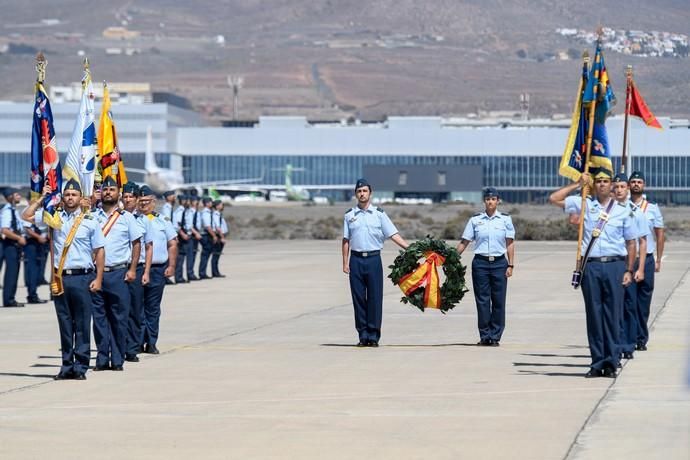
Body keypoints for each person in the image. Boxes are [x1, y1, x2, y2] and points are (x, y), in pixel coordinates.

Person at [549, 169, 638, 378]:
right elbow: (554, 198)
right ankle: (597, 362)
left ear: (612, 185)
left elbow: (631, 242)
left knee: (613, 315)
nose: (602, 185)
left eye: (606, 181)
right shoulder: (585, 204)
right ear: (594, 184)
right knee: (594, 315)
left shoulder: (623, 210)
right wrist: (578, 184)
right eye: (598, 181)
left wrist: (629, 269)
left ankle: (612, 362)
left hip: (615, 265)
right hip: (591, 266)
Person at [22, 179, 105, 380]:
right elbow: (26, 215)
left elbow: (100, 251)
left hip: (83, 277)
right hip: (60, 278)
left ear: (80, 197)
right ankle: (66, 365)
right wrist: (42, 197)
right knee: (65, 324)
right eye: (67, 194)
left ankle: (80, 366)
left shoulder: (90, 221)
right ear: (62, 197)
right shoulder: (53, 218)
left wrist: (99, 279)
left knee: (83, 323)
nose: (70, 198)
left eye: (73, 194)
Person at [342, 179, 408, 347]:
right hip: (356, 260)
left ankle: (373, 336)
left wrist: (409, 248)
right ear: (355, 194)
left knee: (375, 298)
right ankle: (362, 335)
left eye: (365, 191)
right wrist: (345, 262)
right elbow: (346, 240)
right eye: (359, 191)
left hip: (373, 260)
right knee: (358, 299)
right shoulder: (350, 215)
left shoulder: (379, 214)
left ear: (370, 194)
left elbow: (393, 234)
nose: (362, 194)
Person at [91, 176, 143, 371]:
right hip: (97, 275)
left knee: (119, 318)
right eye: (105, 190)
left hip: (118, 273)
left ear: (118, 194)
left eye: (112, 190)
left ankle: (118, 359)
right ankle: (102, 359)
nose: (108, 193)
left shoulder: (126, 218)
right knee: (99, 319)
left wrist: (132, 269)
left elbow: (136, 244)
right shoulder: (92, 217)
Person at [456, 187, 515, 346]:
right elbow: (464, 242)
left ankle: (495, 336)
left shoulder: (505, 219)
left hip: (499, 263)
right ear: (484, 201)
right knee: (482, 300)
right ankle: (485, 336)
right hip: (480, 263)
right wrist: (452, 258)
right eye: (488, 199)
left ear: (498, 201)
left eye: (493, 199)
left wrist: (511, 264)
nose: (490, 202)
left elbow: (510, 243)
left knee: (498, 301)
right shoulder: (475, 220)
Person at [612, 173, 649, 361]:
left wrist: (640, 268)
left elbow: (642, 242)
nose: (618, 190)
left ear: (627, 189)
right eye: (615, 186)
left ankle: (627, 344)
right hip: (612, 264)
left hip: (629, 265)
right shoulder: (605, 211)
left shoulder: (636, 212)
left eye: (622, 187)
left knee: (629, 306)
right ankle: (614, 345)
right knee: (613, 307)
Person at [138, 185, 177, 354]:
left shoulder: (162, 220)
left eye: (147, 201)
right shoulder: (133, 219)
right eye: (141, 201)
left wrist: (172, 265)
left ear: (154, 202)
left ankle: (151, 341)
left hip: (157, 269)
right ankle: (137, 341)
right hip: (138, 268)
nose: (143, 205)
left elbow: (173, 243)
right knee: (137, 307)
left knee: (153, 308)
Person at [628, 171, 665, 351]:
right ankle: (630, 336)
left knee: (643, 303)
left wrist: (658, 259)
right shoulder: (622, 206)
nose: (636, 184)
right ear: (629, 185)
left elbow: (659, 235)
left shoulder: (652, 208)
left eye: (639, 182)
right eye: (633, 181)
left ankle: (641, 338)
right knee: (629, 302)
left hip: (648, 260)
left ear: (644, 185)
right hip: (629, 260)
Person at [123, 181, 153, 363]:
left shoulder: (143, 220)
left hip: (138, 267)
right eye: (125, 197)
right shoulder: (115, 218)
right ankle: (119, 345)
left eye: (131, 197)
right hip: (120, 267)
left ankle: (132, 347)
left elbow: (149, 247)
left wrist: (146, 272)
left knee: (135, 310)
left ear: (137, 199)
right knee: (119, 310)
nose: (127, 200)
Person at [21, 192, 49, 304]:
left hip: (38, 243)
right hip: (31, 244)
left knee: (37, 269)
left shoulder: (38, 211)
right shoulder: (28, 211)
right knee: (32, 270)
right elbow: (27, 228)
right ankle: (32, 295)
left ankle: (33, 293)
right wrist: (39, 237)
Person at [1, 187, 26, 307]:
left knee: (14, 272)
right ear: (10, 197)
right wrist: (19, 238)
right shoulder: (7, 211)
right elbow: (5, 230)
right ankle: (9, 300)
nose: (19, 196)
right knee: (11, 273)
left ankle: (10, 298)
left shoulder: (13, 210)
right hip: (10, 245)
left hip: (15, 246)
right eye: (16, 194)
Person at [173, 194, 192, 283]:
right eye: (185, 200)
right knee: (180, 257)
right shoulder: (179, 211)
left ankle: (180, 276)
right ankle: (178, 277)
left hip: (184, 234)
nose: (187, 202)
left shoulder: (185, 210)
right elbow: (177, 225)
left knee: (183, 256)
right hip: (180, 236)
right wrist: (183, 234)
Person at [198, 196, 214, 279]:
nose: (212, 203)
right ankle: (202, 273)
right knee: (205, 254)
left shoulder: (208, 212)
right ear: (207, 203)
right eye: (210, 202)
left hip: (207, 234)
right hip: (205, 235)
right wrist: (214, 235)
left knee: (207, 254)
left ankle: (203, 272)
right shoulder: (205, 212)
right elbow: (207, 226)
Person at [210, 199, 226, 278]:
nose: (223, 206)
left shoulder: (219, 214)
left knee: (217, 255)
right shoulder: (216, 215)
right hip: (219, 235)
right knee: (216, 255)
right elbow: (218, 227)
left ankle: (216, 271)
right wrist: (222, 237)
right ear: (217, 206)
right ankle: (215, 272)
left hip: (220, 235)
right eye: (221, 204)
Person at [188, 195, 202, 281]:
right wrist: (196, 233)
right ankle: (190, 273)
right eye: (196, 201)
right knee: (190, 256)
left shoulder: (197, 212)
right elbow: (189, 225)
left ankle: (192, 272)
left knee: (194, 254)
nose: (198, 203)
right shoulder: (190, 212)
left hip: (197, 234)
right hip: (192, 235)